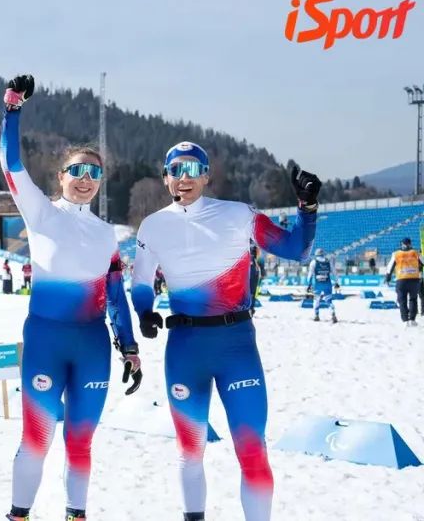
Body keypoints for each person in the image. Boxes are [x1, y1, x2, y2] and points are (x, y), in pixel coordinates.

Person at [131, 142, 320, 521]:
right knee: (190, 451)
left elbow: (297, 249)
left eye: (192, 169)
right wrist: (144, 311)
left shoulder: (238, 214)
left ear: (206, 176)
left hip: (237, 348)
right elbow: (141, 281)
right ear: (165, 177)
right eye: (176, 170)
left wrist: (307, 208)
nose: (184, 178)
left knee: (252, 450)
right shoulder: (153, 226)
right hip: (185, 350)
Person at [0, 75, 140, 521]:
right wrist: (12, 108)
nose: (85, 179)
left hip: (92, 347)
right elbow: (9, 163)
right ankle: (18, 516)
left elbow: (114, 295)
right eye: (76, 170)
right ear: (61, 177)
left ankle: (75, 515)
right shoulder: (40, 212)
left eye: (94, 173)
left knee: (80, 443)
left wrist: (130, 346)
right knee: (36, 439)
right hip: (46, 342)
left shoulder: (106, 235)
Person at [385, 237, 422, 327]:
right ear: (410, 244)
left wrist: (388, 277)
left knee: (402, 301)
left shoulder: (396, 254)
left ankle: (405, 320)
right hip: (414, 280)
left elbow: (390, 267)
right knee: (413, 299)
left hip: (401, 280)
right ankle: (412, 320)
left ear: (402, 244)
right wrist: (419, 268)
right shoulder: (416, 253)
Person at [306, 248, 337, 323]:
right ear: (323, 254)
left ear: (316, 254)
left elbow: (310, 275)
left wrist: (309, 284)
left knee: (316, 300)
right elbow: (334, 272)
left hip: (317, 284)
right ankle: (332, 313)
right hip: (327, 283)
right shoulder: (328, 261)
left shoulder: (313, 262)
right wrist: (337, 282)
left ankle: (316, 315)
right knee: (329, 300)